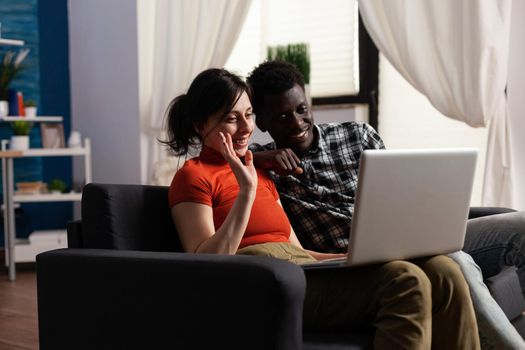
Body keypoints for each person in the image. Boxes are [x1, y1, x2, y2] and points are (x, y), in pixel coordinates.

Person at [163, 67, 480, 349]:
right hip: (259, 283)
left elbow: (296, 250)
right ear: (200, 125)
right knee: (405, 281)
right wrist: (246, 192)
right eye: (231, 118)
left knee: (444, 271)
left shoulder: (259, 170)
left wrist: (357, 257)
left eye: (248, 115)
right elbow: (206, 263)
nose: (245, 127)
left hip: (298, 268)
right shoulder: (192, 176)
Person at [246, 60, 525, 349]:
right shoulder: (258, 167)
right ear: (262, 122)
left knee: (519, 227)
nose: (296, 123)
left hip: (407, 240)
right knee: (451, 265)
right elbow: (215, 161)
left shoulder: (358, 134)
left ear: (309, 101)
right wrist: (259, 159)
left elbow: (399, 195)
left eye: (301, 109)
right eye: (281, 117)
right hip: (353, 264)